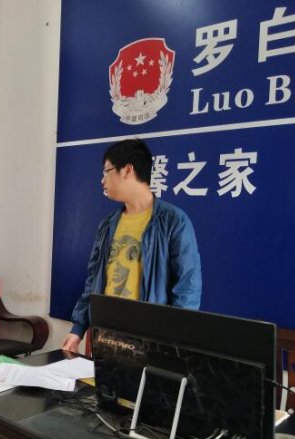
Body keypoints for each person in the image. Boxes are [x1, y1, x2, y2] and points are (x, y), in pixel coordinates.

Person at [61, 139, 202, 353]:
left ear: (127, 170)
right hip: (106, 335)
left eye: (106, 171)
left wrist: (174, 342)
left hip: (150, 339)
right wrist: (78, 328)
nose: (102, 179)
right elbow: (93, 281)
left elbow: (187, 287)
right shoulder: (107, 224)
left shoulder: (173, 220)